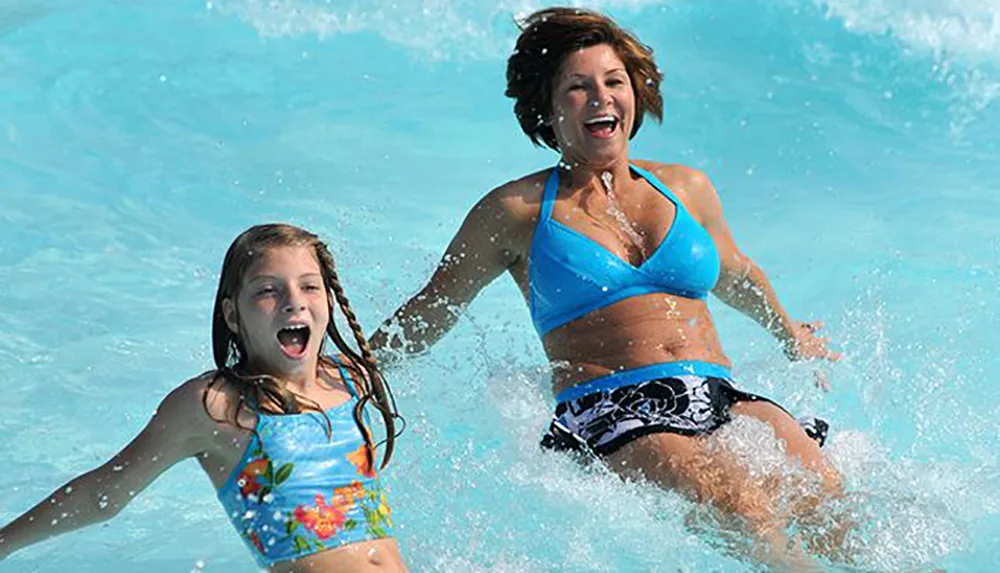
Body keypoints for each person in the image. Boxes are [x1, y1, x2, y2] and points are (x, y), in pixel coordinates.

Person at [370, 7, 843, 568]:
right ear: (547, 109)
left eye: (613, 81)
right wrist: (352, 368)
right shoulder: (516, 211)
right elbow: (436, 304)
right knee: (742, 508)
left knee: (834, 504)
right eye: (578, 87)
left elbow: (735, 271)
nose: (601, 98)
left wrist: (790, 335)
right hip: (613, 409)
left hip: (717, 393)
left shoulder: (685, 187)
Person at [0, 223, 406, 572]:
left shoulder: (350, 378)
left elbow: (429, 311)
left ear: (330, 301)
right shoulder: (217, 406)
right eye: (268, 290)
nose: (293, 301)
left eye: (309, 286)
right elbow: (104, 493)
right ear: (232, 315)